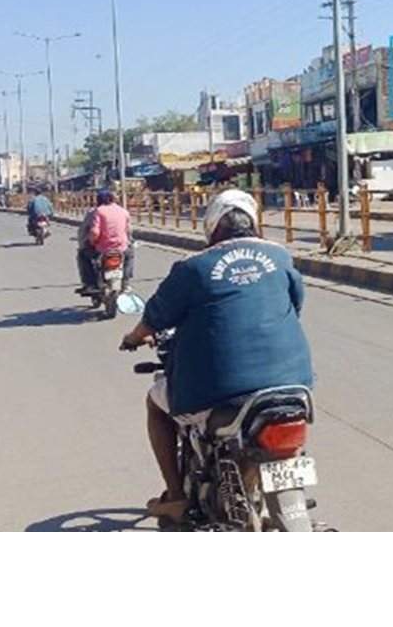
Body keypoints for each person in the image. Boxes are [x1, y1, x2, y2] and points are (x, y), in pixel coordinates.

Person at [120, 189, 314, 520]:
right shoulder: (280, 256)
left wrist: (133, 338)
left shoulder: (192, 268)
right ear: (254, 222)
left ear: (211, 227)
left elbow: (154, 318)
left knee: (156, 404)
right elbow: (295, 305)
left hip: (222, 392)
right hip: (295, 387)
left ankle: (177, 496)